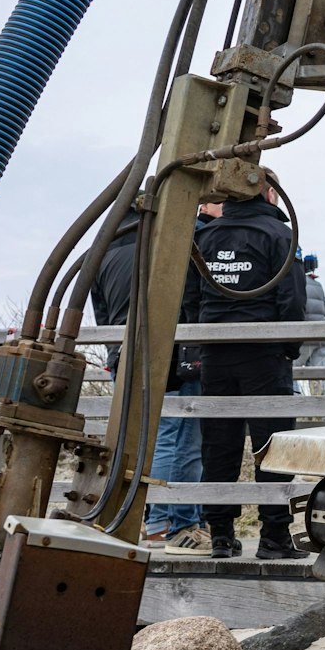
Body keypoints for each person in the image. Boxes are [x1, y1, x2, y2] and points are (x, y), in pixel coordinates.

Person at [194, 185, 309, 560]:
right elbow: (292, 299)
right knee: (272, 446)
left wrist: (200, 342)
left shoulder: (204, 236)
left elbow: (189, 296)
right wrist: (289, 347)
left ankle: (220, 535)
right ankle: (274, 537)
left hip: (214, 352)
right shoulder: (279, 235)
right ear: (270, 194)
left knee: (218, 445)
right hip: (264, 353)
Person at [86, 207, 205, 550]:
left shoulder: (103, 248)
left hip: (122, 358)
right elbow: (186, 300)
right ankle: (170, 524)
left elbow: (102, 313)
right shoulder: (171, 238)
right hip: (169, 355)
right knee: (174, 439)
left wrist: (114, 354)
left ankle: (139, 518)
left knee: (133, 440)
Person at [296, 254, 325, 396]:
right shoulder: (318, 285)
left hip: (304, 337)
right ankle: (321, 407)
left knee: (292, 371)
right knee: (318, 377)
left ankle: (296, 403)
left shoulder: (297, 283)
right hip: (321, 337)